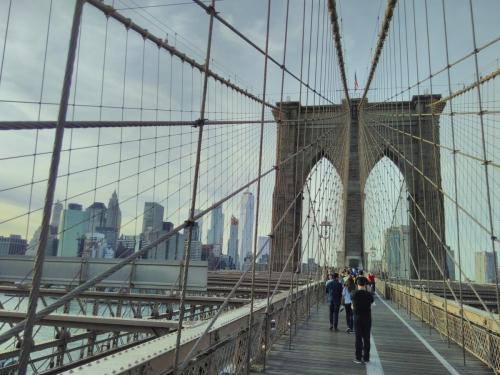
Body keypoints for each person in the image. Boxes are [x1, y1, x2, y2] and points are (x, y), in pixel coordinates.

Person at [352, 276, 374, 364]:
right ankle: (366, 357)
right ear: (365, 284)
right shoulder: (369, 295)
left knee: (358, 338)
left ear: (357, 284)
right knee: (366, 338)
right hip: (367, 318)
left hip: (357, 318)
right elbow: (371, 303)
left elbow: (353, 306)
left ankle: (358, 357)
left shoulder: (354, 294)